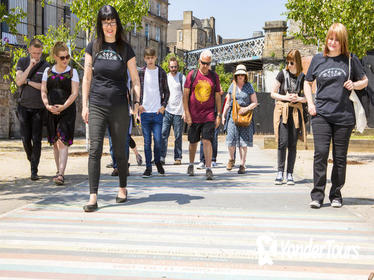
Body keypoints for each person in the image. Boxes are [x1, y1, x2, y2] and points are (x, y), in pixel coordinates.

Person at [81, 5, 140, 212]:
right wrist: (84, 105)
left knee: (121, 150)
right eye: (105, 22)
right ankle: (93, 196)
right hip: (97, 104)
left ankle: (122, 188)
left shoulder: (125, 49)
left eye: (112, 21)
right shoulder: (93, 47)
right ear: (101, 24)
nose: (109, 26)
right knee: (94, 150)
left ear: (117, 24)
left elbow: (135, 79)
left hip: (119, 107)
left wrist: (136, 102)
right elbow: (87, 78)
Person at [304, 23, 368, 209]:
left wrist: (354, 85)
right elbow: (308, 83)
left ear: (343, 42)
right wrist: (310, 103)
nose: (333, 42)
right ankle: (317, 195)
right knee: (320, 154)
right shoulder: (318, 59)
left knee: (340, 157)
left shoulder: (350, 59)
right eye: (330, 38)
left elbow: (364, 81)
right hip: (321, 114)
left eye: (337, 40)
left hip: (344, 116)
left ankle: (336, 195)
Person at [41, 42, 79, 185]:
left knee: (62, 142)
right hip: (51, 111)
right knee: (55, 143)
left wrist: (63, 106)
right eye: (62, 58)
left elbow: (75, 93)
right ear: (55, 57)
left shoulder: (72, 72)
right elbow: (44, 91)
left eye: (67, 57)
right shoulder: (48, 71)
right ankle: (58, 171)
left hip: (67, 111)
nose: (65, 60)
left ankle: (61, 173)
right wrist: (47, 105)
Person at [183, 50, 222, 180]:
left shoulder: (214, 76)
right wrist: (187, 113)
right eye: (203, 63)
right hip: (193, 115)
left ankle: (209, 168)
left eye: (208, 63)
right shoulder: (191, 75)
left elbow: (217, 96)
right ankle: (191, 164)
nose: (205, 66)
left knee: (207, 140)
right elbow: (185, 95)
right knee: (193, 142)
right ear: (199, 61)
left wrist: (219, 115)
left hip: (209, 114)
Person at [271, 50, 307, 185]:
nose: (289, 65)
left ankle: (290, 173)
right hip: (283, 111)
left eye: (292, 62)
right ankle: (280, 172)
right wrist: (286, 97)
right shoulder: (282, 74)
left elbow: (308, 98)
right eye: (288, 62)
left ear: (297, 62)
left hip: (296, 112)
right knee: (282, 142)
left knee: (293, 143)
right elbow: (273, 94)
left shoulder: (303, 77)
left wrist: (299, 98)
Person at [15, 38, 49, 180]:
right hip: (23, 106)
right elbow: (19, 81)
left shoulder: (46, 65)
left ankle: (34, 170)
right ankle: (32, 159)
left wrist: (28, 81)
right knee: (25, 138)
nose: (36, 56)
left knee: (37, 139)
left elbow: (44, 87)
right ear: (29, 50)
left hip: (39, 108)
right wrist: (29, 67)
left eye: (39, 53)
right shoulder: (22, 62)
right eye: (34, 53)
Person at [138, 47, 170, 178]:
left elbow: (167, 92)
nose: (150, 60)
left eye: (152, 57)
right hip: (145, 113)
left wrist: (163, 106)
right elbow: (135, 89)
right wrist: (138, 105)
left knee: (158, 140)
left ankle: (157, 161)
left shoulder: (161, 72)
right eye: (147, 58)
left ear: (155, 58)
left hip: (157, 113)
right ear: (144, 58)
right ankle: (148, 167)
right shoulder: (141, 73)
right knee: (146, 142)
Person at [222, 64, 258, 174]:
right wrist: (223, 115)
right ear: (236, 76)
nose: (240, 76)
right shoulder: (232, 86)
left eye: (242, 74)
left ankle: (242, 164)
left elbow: (255, 102)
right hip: (233, 116)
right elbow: (228, 102)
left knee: (243, 143)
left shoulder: (249, 87)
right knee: (231, 140)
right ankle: (231, 159)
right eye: (239, 75)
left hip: (245, 116)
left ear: (245, 75)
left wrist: (246, 108)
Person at [160, 56, 185, 165]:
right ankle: (161, 157)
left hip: (178, 112)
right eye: (171, 67)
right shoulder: (166, 77)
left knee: (178, 136)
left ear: (177, 66)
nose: (173, 68)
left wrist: (185, 111)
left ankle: (178, 157)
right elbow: (162, 93)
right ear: (169, 67)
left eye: (175, 66)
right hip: (167, 111)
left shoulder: (182, 77)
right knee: (163, 134)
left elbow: (185, 95)